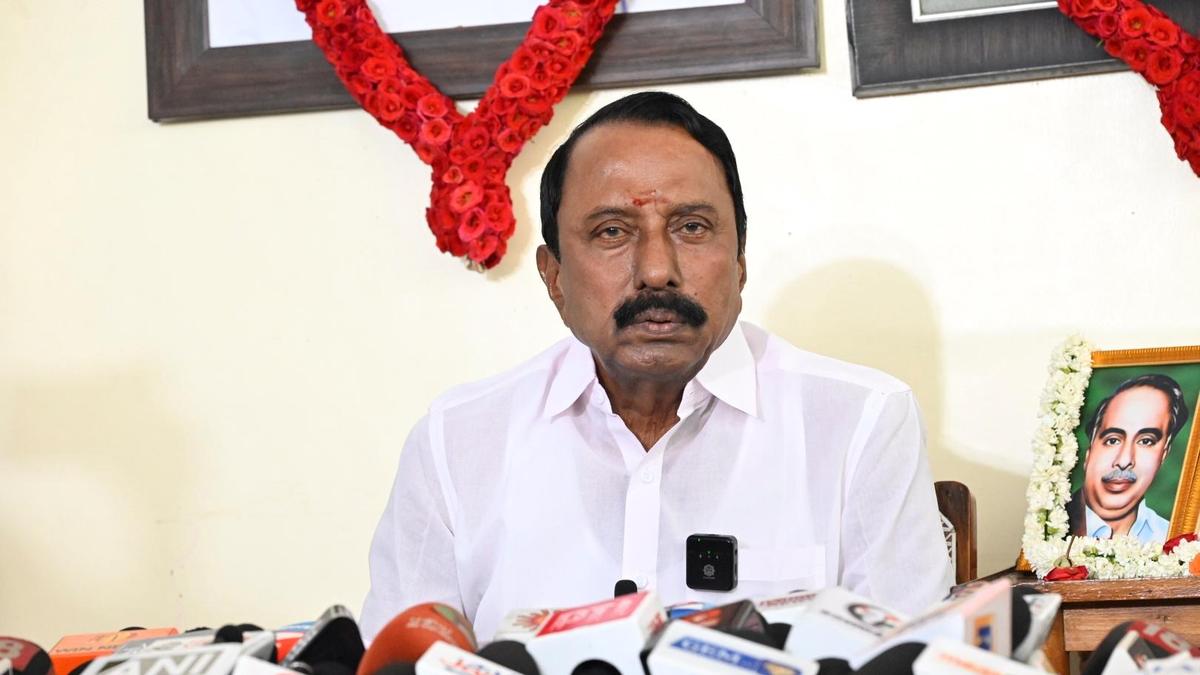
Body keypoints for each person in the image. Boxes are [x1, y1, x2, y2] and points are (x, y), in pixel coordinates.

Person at [359, 91, 953, 641]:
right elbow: (399, 660)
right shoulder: (457, 440)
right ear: (554, 276)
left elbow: (913, 659)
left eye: (691, 227)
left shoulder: (860, 423)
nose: (656, 271)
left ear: (740, 262)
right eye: (612, 231)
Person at [1068, 374, 1191, 542]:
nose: (1124, 461)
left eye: (1146, 441)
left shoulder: (1172, 543)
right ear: (1089, 451)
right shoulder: (1047, 527)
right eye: (1112, 440)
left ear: (1163, 455)